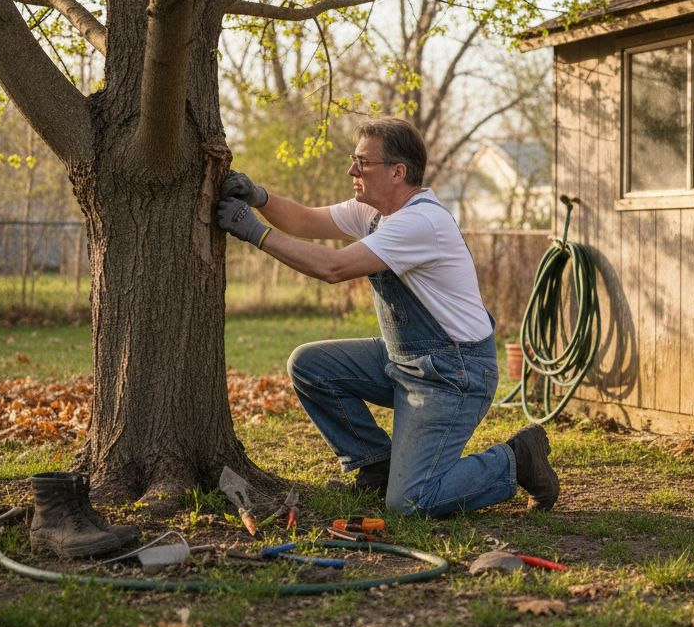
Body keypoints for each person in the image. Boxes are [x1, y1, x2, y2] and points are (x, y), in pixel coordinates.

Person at [215, 117, 558, 517]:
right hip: (407, 358)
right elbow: (305, 220)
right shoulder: (374, 212)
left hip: (453, 374)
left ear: (398, 172)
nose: (352, 171)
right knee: (310, 366)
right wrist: (260, 196)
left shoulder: (420, 222)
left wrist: (254, 232)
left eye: (363, 163)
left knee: (412, 502)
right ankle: (377, 466)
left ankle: (517, 459)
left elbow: (333, 268)